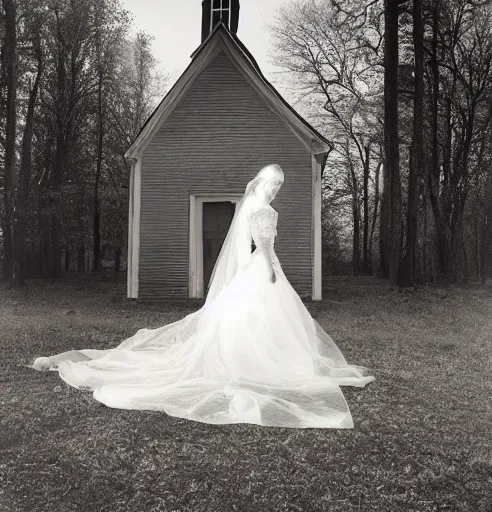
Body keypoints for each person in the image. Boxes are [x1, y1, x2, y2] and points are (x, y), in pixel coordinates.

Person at [30, 164, 375, 428]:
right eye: (274, 184)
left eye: (279, 186)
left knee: (256, 319)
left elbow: (245, 246)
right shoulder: (263, 209)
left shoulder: (250, 204)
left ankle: (260, 357)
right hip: (262, 267)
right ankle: (260, 361)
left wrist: (253, 267)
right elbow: (265, 246)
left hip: (250, 268)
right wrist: (269, 270)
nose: (276, 190)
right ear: (264, 182)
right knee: (267, 317)